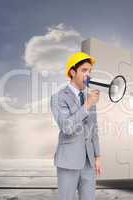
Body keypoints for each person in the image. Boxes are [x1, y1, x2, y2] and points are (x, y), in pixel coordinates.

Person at [50, 52, 102, 200]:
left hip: (89, 162)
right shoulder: (58, 98)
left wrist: (98, 156)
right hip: (68, 162)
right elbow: (66, 127)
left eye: (90, 71)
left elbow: (94, 129)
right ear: (72, 72)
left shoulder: (88, 98)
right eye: (84, 70)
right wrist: (87, 105)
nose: (88, 75)